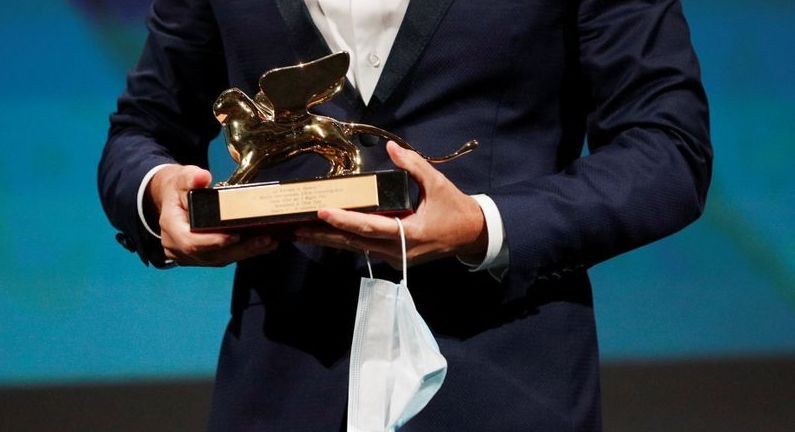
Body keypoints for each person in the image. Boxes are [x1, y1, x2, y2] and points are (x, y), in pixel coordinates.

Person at [98, 0, 711, 430]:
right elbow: (142, 129)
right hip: (279, 392)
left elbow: (666, 147)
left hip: (507, 388)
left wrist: (484, 225)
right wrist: (158, 195)